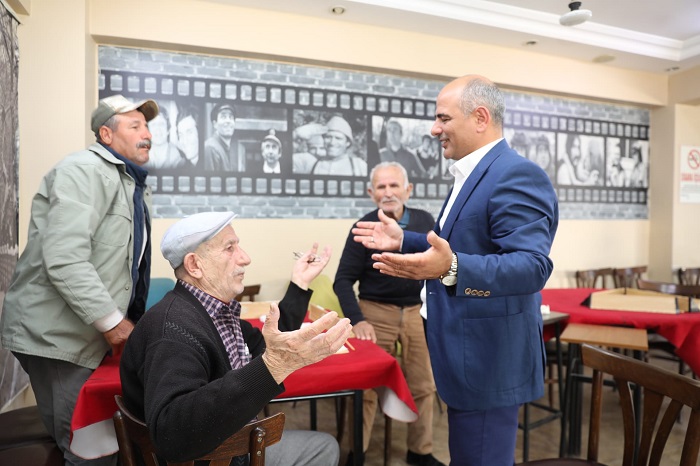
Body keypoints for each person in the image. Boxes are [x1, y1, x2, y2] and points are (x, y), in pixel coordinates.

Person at [352, 75, 558, 465]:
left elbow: (531, 267)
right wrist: (405, 240)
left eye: (443, 119)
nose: (435, 129)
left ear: (480, 117)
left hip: (488, 361)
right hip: (466, 356)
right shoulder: (473, 173)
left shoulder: (515, 174)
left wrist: (453, 268)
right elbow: (459, 246)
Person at [119, 211, 352, 465]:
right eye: (230, 248)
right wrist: (274, 366)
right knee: (324, 448)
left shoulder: (211, 311)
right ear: (195, 265)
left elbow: (267, 346)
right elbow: (172, 434)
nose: (246, 258)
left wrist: (299, 282)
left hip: (226, 442)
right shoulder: (172, 331)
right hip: (215, 456)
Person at [0, 94, 159, 466]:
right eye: (134, 125)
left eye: (147, 125)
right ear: (106, 134)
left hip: (85, 334)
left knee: (105, 442)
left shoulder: (130, 182)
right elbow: (65, 258)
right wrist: (114, 324)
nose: (146, 133)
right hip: (57, 337)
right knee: (89, 453)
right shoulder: (83, 171)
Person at [333, 162, 443, 466]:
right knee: (366, 390)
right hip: (374, 314)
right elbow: (342, 280)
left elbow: (439, 265)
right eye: (381, 187)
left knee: (424, 385)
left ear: (408, 190)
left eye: (394, 185)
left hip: (416, 314)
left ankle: (420, 452)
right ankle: (357, 454)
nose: (388, 192)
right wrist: (358, 320)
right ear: (371, 193)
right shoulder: (363, 227)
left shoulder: (424, 221)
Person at [143, 104, 185, 170]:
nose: (158, 129)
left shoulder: (177, 157)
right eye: (154, 124)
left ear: (168, 129)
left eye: (161, 124)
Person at [204, 102, 241, 172]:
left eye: (231, 117)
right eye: (223, 117)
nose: (228, 121)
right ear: (215, 124)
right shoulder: (210, 148)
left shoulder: (225, 148)